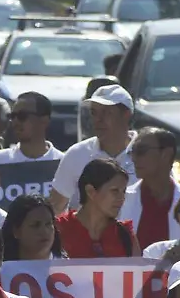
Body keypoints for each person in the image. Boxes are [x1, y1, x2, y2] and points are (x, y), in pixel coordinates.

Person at [49, 84, 137, 214]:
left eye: (107, 113)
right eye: (94, 113)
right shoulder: (76, 154)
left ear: (126, 115)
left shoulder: (149, 153)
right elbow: (55, 208)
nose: (98, 120)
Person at [54, 158, 139, 259]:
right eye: (115, 191)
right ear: (91, 191)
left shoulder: (126, 236)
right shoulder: (57, 230)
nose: (122, 198)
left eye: (123, 191)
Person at [118, 127, 180, 248]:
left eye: (141, 151)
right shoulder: (120, 200)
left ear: (166, 154)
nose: (134, 159)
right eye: (132, 152)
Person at [0, 92, 63, 166]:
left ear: (44, 121)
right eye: (13, 116)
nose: (15, 121)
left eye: (22, 116)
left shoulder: (63, 163)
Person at [1, 194, 64, 261]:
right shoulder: (1, 269)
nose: (44, 231)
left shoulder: (68, 267)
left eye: (48, 224)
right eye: (35, 225)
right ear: (16, 231)